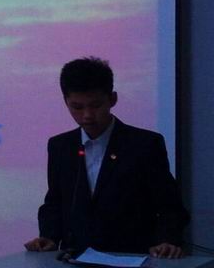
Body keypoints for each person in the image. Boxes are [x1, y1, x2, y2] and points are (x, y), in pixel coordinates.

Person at [24, 57, 190, 259]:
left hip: (132, 257)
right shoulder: (60, 146)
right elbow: (55, 202)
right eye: (77, 107)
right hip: (75, 258)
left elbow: (170, 206)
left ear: (112, 99)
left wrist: (167, 241)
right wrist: (48, 237)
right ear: (65, 102)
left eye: (95, 105)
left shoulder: (145, 144)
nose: (87, 115)